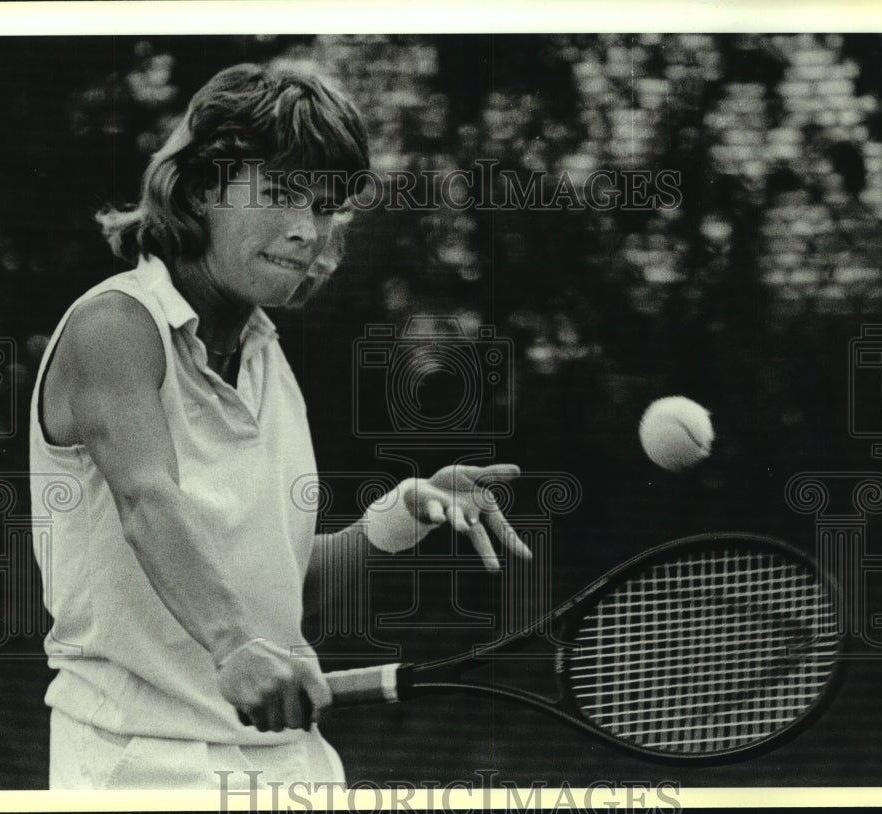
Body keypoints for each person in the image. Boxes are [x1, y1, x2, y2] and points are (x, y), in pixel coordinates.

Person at [29, 62, 531, 790]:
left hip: (294, 767)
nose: (306, 229)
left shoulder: (268, 360)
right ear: (202, 186)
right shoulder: (116, 325)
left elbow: (275, 600)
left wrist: (405, 512)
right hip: (138, 762)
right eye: (281, 193)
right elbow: (148, 501)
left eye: (325, 205)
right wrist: (236, 646)